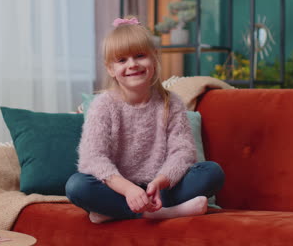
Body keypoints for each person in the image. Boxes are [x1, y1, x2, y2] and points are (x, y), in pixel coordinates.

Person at [65, 17, 225, 224]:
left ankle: (117, 212)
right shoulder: (103, 105)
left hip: (160, 190)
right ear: (110, 69)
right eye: (122, 60)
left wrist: (160, 181)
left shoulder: (171, 102)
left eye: (140, 56)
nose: (132, 65)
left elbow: (182, 151)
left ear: (154, 58)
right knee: (77, 186)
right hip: (118, 189)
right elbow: (93, 159)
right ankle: (164, 212)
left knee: (212, 172)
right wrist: (129, 189)